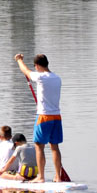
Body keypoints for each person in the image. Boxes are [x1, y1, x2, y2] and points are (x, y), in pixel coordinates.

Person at [16, 53, 64, 183]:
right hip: (56, 117)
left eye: (35, 66)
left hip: (44, 117)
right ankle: (58, 177)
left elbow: (25, 71)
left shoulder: (41, 77)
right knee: (55, 147)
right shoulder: (57, 78)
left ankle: (41, 177)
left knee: (39, 146)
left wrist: (19, 60)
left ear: (37, 66)